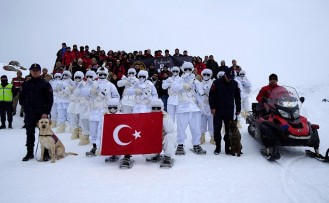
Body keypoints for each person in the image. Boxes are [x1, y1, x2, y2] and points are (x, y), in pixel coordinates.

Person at [19, 63, 53, 161]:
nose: (35, 72)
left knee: (45, 133)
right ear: (30, 71)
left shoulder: (45, 84)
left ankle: (46, 153)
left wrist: (46, 112)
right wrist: (25, 106)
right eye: (33, 70)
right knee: (29, 133)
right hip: (29, 113)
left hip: (42, 114)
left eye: (37, 70)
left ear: (40, 72)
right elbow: (21, 98)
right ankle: (29, 153)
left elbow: (50, 99)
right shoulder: (25, 84)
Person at [171, 62, 206, 155]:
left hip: (194, 108)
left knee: (196, 128)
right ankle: (180, 145)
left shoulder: (195, 81)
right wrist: (183, 85)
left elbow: (201, 94)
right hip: (182, 108)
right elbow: (173, 88)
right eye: (185, 69)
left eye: (189, 69)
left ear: (192, 70)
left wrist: (202, 106)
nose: (187, 71)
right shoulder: (179, 80)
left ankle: (196, 144)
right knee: (181, 128)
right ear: (183, 70)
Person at [86, 67, 120, 156]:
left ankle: (105, 146)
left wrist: (111, 102)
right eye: (100, 74)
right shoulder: (92, 83)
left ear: (107, 75)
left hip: (105, 111)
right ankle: (94, 147)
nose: (102, 76)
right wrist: (90, 92)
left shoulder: (111, 85)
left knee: (104, 130)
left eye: (104, 74)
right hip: (94, 110)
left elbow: (117, 97)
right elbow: (83, 93)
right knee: (93, 131)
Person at [209, 68, 241, 155]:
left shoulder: (235, 84)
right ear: (225, 75)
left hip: (229, 110)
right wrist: (212, 108)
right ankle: (218, 147)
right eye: (228, 77)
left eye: (231, 77)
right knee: (217, 130)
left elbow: (238, 97)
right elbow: (211, 96)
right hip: (218, 110)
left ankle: (228, 148)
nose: (229, 79)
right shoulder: (216, 82)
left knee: (228, 130)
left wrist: (238, 109)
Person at [144, 98, 176, 167]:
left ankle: (168, 156)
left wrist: (164, 119)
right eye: (154, 108)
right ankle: (155, 154)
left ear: (161, 108)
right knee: (148, 156)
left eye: (158, 108)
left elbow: (170, 130)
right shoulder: (147, 117)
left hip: (164, 140)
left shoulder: (167, 116)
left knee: (170, 136)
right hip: (154, 141)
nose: (156, 110)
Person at [200, 69, 215, 145]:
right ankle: (202, 137)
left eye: (207, 75)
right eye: (204, 74)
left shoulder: (213, 83)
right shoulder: (199, 83)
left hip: (211, 105)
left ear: (210, 75)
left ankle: (213, 137)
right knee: (202, 122)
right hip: (202, 105)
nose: (206, 76)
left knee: (212, 123)